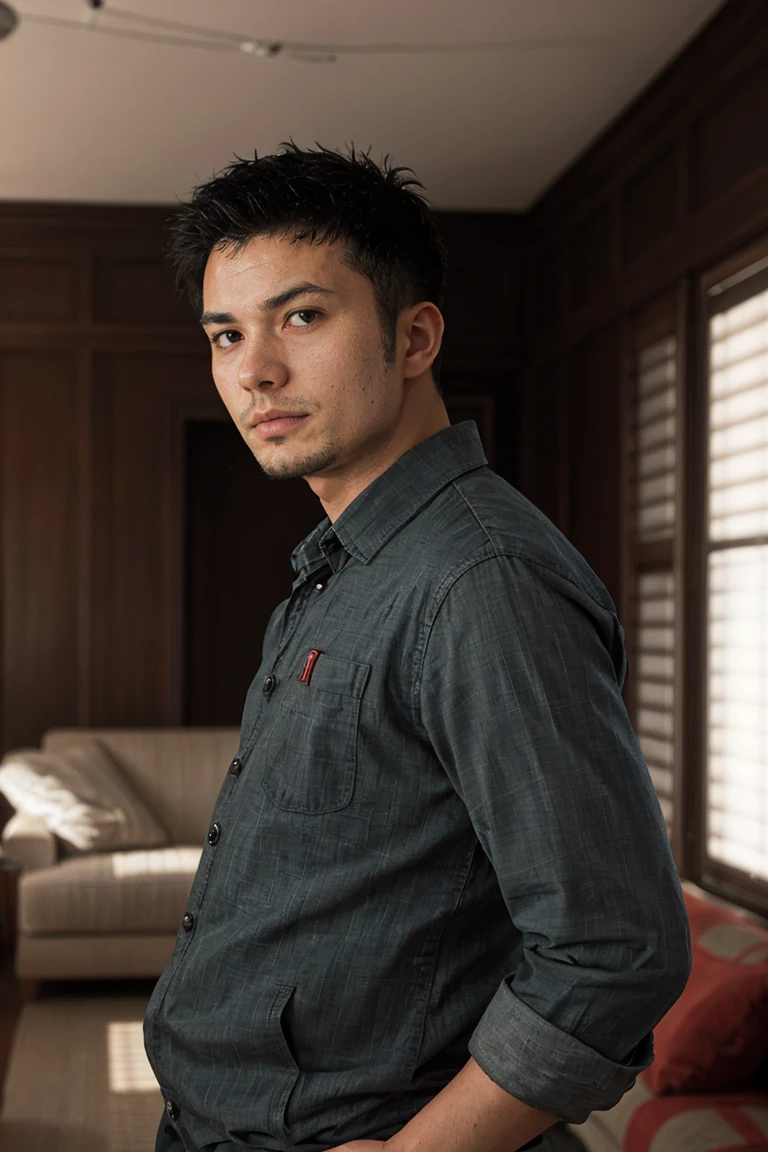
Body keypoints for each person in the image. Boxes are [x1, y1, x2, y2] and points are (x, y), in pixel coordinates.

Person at [143, 143, 692, 1152]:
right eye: (226, 334)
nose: (254, 370)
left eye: (302, 316)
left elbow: (616, 948)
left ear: (414, 336)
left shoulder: (482, 580)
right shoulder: (342, 563)